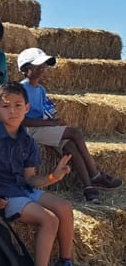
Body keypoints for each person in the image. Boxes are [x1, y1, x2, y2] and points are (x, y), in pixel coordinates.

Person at [0, 81, 75, 266]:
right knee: (49, 220)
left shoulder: (28, 141)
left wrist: (53, 177)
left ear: (27, 108)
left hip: (23, 189)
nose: (12, 111)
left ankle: (66, 261)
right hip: (4, 194)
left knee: (65, 207)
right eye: (6, 106)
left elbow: (30, 179)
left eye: (18, 105)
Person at [18, 47, 122, 204]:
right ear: (25, 69)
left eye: (43, 66)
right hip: (29, 131)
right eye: (37, 66)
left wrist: (53, 122)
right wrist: (49, 124)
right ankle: (95, 175)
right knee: (75, 133)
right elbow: (20, 120)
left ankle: (89, 189)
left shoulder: (40, 90)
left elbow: (44, 111)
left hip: (41, 128)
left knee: (71, 147)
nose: (42, 70)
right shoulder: (21, 89)